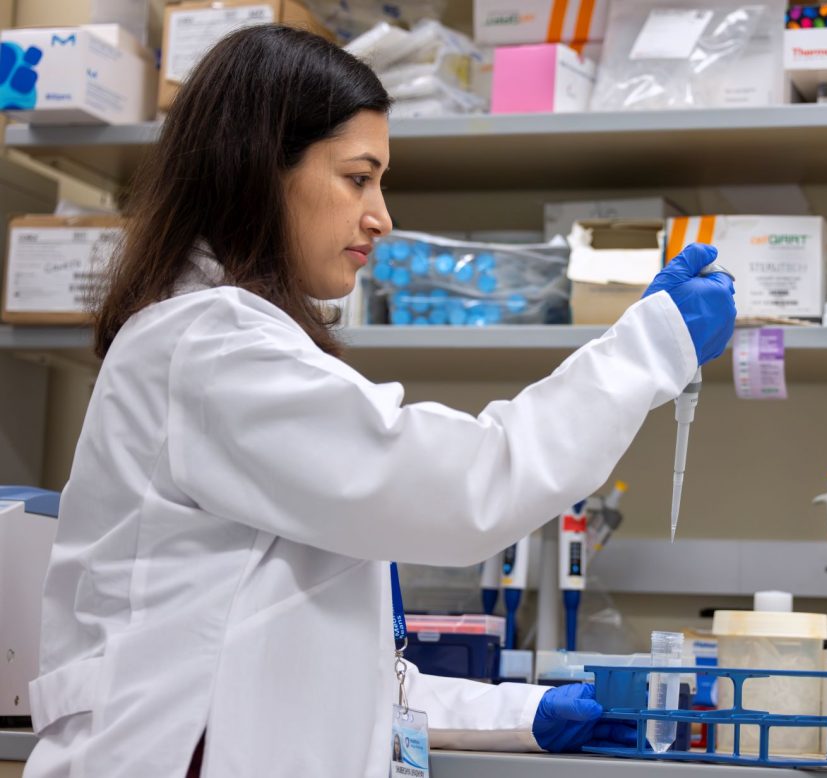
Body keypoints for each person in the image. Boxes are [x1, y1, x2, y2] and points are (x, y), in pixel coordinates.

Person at [23, 25, 735, 778]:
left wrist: (519, 713)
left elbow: (324, 664)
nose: (382, 217)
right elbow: (470, 488)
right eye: (358, 178)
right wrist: (650, 348)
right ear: (261, 170)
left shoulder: (229, 346)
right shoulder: (212, 350)